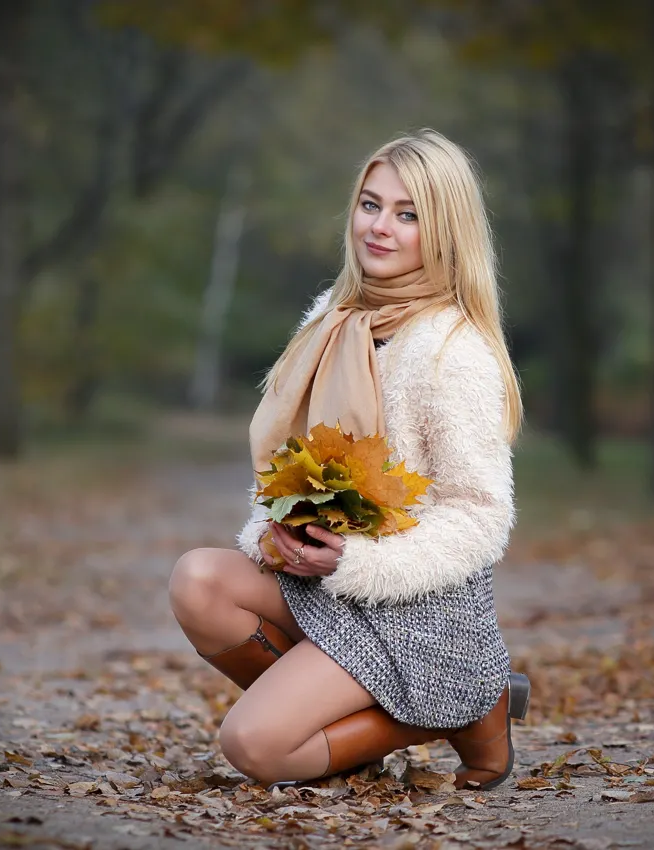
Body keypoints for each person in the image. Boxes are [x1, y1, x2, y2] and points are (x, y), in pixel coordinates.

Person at [169, 129, 529, 790]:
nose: (380, 227)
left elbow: (481, 515)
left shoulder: (452, 351)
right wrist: (276, 533)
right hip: (322, 582)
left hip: (413, 605)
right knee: (198, 581)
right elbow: (294, 461)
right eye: (371, 205)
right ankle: (350, 738)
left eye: (408, 213)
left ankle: (467, 705)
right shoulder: (332, 320)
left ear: (445, 231)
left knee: (255, 746)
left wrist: (362, 562)